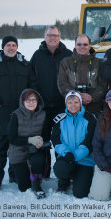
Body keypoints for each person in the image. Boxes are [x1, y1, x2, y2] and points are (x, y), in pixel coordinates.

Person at [0, 35, 35, 190]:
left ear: (17, 47)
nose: (11, 48)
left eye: (14, 45)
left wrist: (29, 104)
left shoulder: (24, 64)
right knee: (1, 146)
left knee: (17, 145)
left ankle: (15, 175)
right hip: (1, 112)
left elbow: (33, 86)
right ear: (3, 47)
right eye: (8, 45)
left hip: (21, 112)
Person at [31, 26, 72, 177]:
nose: (52, 38)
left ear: (60, 37)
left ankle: (63, 174)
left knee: (62, 141)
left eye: (55, 35)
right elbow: (31, 78)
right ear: (45, 37)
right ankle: (43, 173)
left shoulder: (68, 55)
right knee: (43, 141)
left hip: (63, 107)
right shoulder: (37, 55)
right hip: (43, 108)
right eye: (50, 35)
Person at [51, 91, 96, 198]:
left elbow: (89, 141)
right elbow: (56, 139)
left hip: (84, 159)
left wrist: (74, 156)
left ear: (81, 103)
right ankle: (64, 180)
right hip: (66, 158)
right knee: (61, 169)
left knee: (80, 194)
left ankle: (80, 176)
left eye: (76, 102)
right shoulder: (60, 119)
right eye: (70, 102)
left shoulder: (90, 118)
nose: (73, 105)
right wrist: (66, 154)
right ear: (66, 104)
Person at [8, 89, 49, 199]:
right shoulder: (16, 115)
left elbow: (46, 134)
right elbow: (12, 138)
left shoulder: (44, 114)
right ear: (22, 102)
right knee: (24, 187)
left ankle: (37, 185)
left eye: (33, 100)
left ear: (38, 101)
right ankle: (15, 172)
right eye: (27, 100)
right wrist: (29, 140)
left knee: (38, 160)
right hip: (18, 150)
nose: (31, 102)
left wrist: (40, 140)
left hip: (35, 149)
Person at [58, 34, 107, 116]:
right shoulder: (65, 62)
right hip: (72, 109)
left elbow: (103, 85)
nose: (82, 47)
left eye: (85, 44)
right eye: (79, 44)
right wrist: (77, 96)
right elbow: (62, 84)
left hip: (95, 108)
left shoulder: (99, 63)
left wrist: (92, 97)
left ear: (90, 46)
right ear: (75, 45)